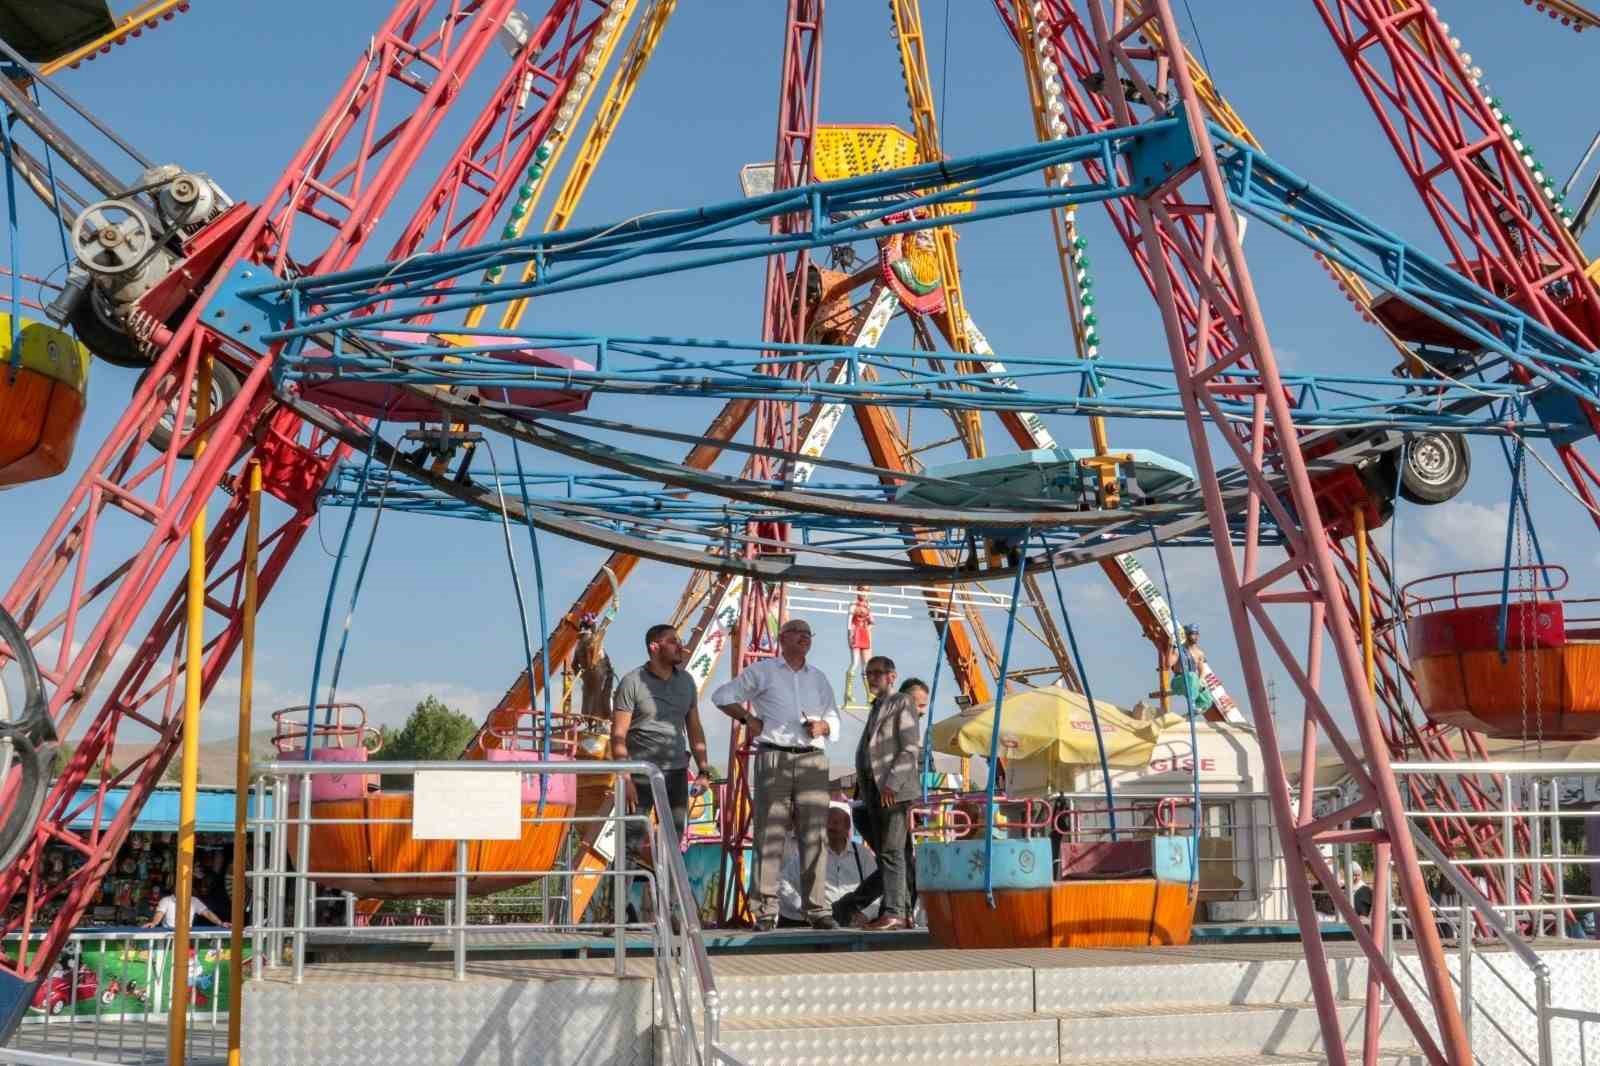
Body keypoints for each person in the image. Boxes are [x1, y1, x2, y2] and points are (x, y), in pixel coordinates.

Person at [712, 617, 840, 930]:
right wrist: (748, 720)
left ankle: (818, 910)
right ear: (782, 638)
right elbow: (721, 696)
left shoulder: (819, 678)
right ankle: (766, 912)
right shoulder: (763, 671)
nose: (804, 638)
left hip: (812, 758)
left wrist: (824, 726)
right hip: (774, 756)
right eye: (797, 633)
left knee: (815, 836)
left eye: (808, 633)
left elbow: (834, 718)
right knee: (770, 835)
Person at [611, 624, 715, 869]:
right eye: (673, 641)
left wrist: (704, 770)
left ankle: (666, 901)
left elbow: (694, 728)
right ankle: (618, 904)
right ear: (654, 647)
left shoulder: (687, 682)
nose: (681, 646)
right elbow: (617, 733)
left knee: (673, 841)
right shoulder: (632, 682)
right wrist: (625, 778)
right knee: (630, 842)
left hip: (676, 772)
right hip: (640, 773)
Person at [848, 656, 921, 931]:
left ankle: (894, 912)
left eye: (878, 673)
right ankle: (900, 911)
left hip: (893, 791)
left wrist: (892, 782)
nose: (872, 678)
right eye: (868, 674)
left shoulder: (901, 701)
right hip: (874, 792)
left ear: (892, 676)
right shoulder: (878, 705)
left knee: (892, 852)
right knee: (894, 854)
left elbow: (910, 746)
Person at [778, 802, 877, 927]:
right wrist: (802, 906)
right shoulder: (811, 852)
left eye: (835, 822)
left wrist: (867, 914)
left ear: (847, 827)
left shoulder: (862, 854)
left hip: (852, 923)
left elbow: (877, 889)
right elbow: (783, 882)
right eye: (826, 823)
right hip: (815, 923)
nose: (830, 827)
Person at [144, 881, 222, 929]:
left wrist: (220, 923)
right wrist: (154, 923)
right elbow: (159, 914)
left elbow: (207, 913)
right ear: (174, 888)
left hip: (187, 933)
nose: (182, 889)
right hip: (169, 932)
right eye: (179, 887)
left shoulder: (194, 900)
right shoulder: (166, 900)